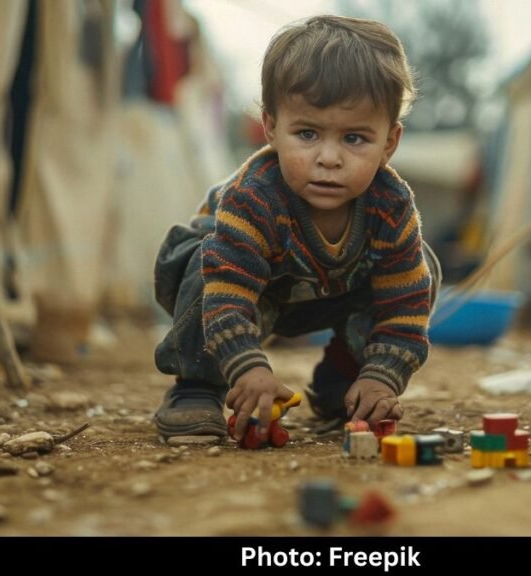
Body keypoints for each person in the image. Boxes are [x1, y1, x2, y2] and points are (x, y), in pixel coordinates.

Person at [152, 15, 441, 443]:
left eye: (355, 138)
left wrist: (384, 376)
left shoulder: (390, 206)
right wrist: (248, 369)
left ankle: (343, 383)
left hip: (318, 291)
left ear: (389, 143)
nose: (329, 157)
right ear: (271, 129)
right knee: (206, 258)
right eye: (307, 133)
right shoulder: (255, 197)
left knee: (422, 269)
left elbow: (404, 306)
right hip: (225, 289)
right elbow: (228, 294)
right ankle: (196, 386)